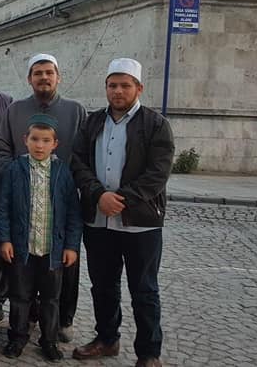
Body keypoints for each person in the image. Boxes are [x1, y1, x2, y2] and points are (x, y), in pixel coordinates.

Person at [70, 59, 174, 367]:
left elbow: (158, 173)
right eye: (112, 85)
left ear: (139, 88)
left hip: (140, 224)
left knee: (144, 290)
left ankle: (149, 353)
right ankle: (106, 339)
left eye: (125, 85)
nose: (118, 91)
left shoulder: (155, 124)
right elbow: (78, 162)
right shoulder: (92, 122)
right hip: (99, 220)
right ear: (106, 88)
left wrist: (122, 199)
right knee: (103, 286)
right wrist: (98, 195)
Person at [0, 53, 87, 342]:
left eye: (49, 72)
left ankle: (62, 321)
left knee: (62, 270)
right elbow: (2, 149)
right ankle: (24, 324)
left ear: (58, 77)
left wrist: (71, 181)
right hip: (22, 196)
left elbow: (84, 153)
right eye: (38, 73)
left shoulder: (75, 111)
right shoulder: (15, 110)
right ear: (29, 79)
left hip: (61, 199)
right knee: (22, 272)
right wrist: (17, 179)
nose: (44, 77)